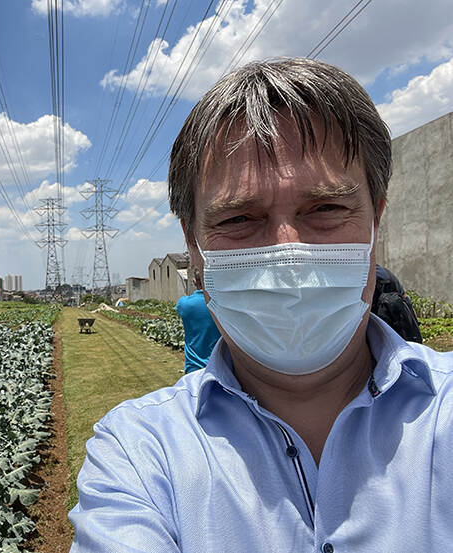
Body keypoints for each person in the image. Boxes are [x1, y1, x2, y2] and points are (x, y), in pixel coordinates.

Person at [68, 57, 453, 552]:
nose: (287, 253)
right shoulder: (140, 456)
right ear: (193, 247)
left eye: (326, 209)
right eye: (238, 218)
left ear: (376, 221)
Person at [176, 269, 221, 373]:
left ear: (194, 281)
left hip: (193, 367)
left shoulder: (183, 304)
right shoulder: (220, 303)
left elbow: (179, 309)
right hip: (218, 366)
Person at [372, 264, 423, 342]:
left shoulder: (368, 275)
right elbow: (406, 301)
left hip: (386, 323)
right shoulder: (385, 273)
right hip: (401, 327)